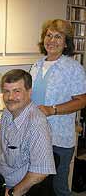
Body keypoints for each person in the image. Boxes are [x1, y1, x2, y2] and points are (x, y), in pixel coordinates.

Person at [0, 69, 56, 196]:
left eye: (16, 91)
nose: (10, 97)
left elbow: (40, 172)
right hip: (2, 181)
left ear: (29, 92)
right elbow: (1, 139)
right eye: (6, 91)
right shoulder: (8, 113)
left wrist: (11, 193)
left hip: (20, 189)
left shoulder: (37, 125)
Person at [30, 19, 86, 196]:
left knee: (58, 188)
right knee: (38, 186)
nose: (51, 40)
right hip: (35, 136)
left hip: (59, 139)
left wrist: (52, 109)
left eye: (58, 36)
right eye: (49, 35)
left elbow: (81, 101)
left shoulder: (73, 68)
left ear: (66, 42)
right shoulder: (36, 65)